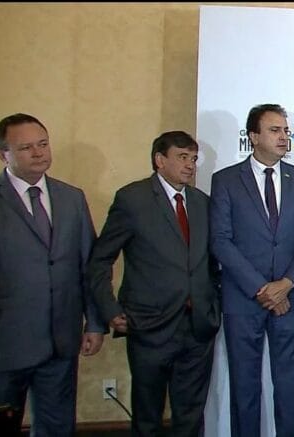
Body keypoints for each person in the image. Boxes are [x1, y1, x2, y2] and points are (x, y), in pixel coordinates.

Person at [88, 131, 220, 436]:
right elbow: (100, 260)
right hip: (149, 326)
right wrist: (109, 310)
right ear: (160, 160)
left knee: (190, 417)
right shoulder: (133, 199)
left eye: (194, 158)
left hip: (197, 326)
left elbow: (212, 263)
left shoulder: (202, 202)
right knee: (148, 417)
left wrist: (214, 303)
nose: (190, 165)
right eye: (182, 157)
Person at [210, 104, 294, 437]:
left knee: (289, 388)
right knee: (244, 388)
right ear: (254, 136)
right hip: (244, 300)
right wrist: (262, 289)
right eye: (275, 130)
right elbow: (221, 240)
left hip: (289, 299)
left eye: (286, 130)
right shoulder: (226, 180)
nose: (284, 137)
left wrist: (286, 284)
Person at [0, 113, 105, 434]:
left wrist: (94, 322)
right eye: (26, 147)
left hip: (61, 341)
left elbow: (89, 265)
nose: (38, 153)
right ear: (4, 154)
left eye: (43, 144)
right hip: (6, 344)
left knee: (57, 428)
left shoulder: (71, 198)